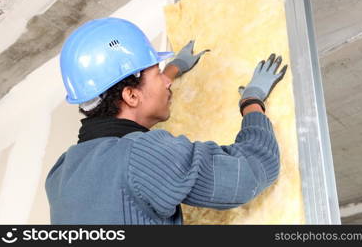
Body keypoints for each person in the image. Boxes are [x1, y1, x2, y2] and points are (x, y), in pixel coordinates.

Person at [45, 17, 288, 224]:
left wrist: (170, 70)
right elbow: (251, 172)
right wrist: (251, 101)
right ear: (130, 95)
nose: (167, 81)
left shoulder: (60, 172)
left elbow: (131, 105)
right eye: (157, 74)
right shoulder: (143, 155)